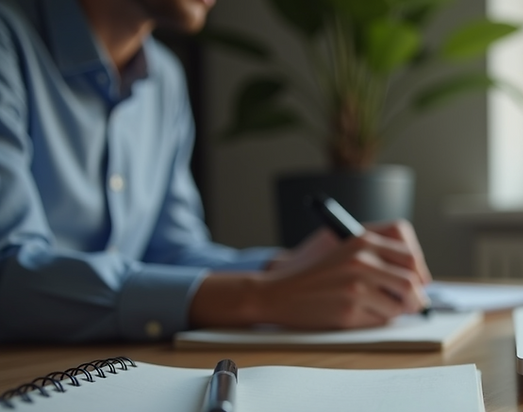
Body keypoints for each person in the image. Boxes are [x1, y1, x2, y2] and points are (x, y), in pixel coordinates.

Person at [0, 0, 432, 342]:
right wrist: (261, 298)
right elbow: (9, 273)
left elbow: (172, 252)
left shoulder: (163, 79)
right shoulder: (9, 40)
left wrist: (284, 267)